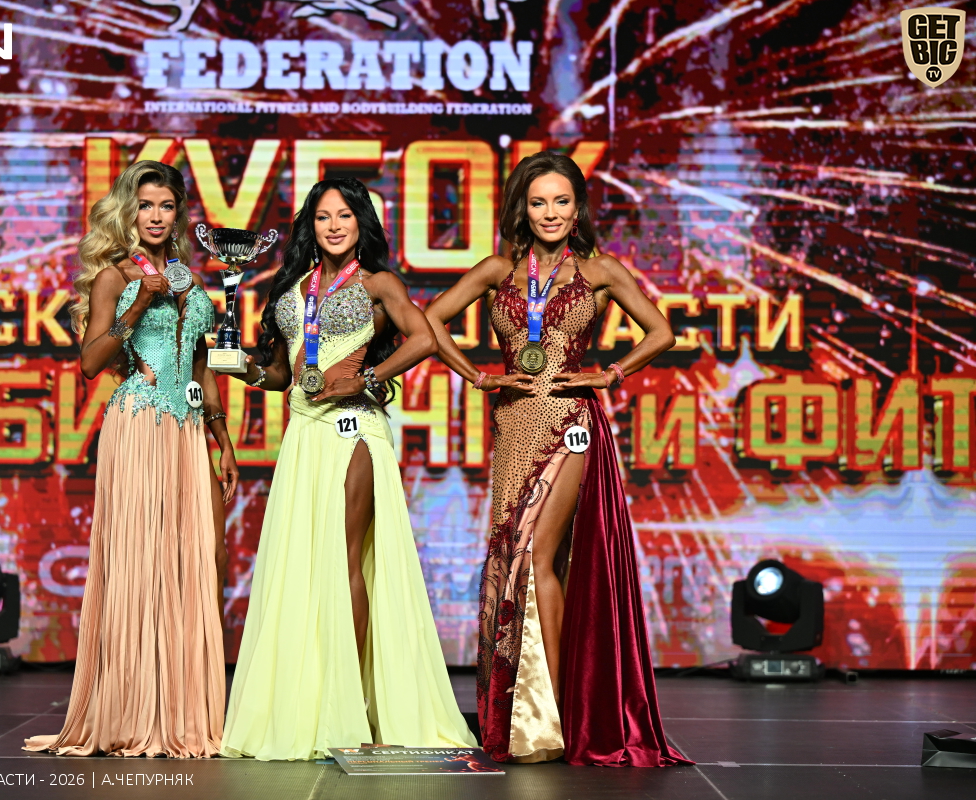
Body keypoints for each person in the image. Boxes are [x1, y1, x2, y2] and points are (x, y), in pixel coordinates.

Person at [425, 152, 691, 766]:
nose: (550, 213)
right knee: (509, 560)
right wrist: (478, 376)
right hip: (513, 425)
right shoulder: (497, 270)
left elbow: (662, 332)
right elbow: (430, 320)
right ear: (522, 208)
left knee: (539, 553)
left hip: (571, 423)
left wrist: (610, 373)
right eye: (539, 201)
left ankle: (558, 718)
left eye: (562, 201)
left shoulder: (599, 270)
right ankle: (523, 718)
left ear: (577, 209)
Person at [220, 177, 476, 760]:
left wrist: (366, 379)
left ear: (361, 222)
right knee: (303, 566)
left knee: (344, 558)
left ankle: (351, 705)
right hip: (303, 435)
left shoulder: (377, 282)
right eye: (322, 217)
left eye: (344, 215)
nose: (333, 226)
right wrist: (246, 371)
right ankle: (309, 702)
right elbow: (283, 374)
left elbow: (424, 339)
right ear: (310, 227)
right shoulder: (293, 288)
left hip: (354, 428)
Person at [25, 160, 238, 758]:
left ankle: (184, 710)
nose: (155, 216)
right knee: (142, 562)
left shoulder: (190, 280)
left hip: (189, 428)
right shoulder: (115, 277)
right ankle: (131, 710)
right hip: (140, 422)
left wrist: (222, 440)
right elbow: (91, 362)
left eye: (166, 206)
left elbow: (200, 366)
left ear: (178, 215)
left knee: (201, 559)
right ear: (130, 212)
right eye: (145, 205)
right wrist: (139, 303)